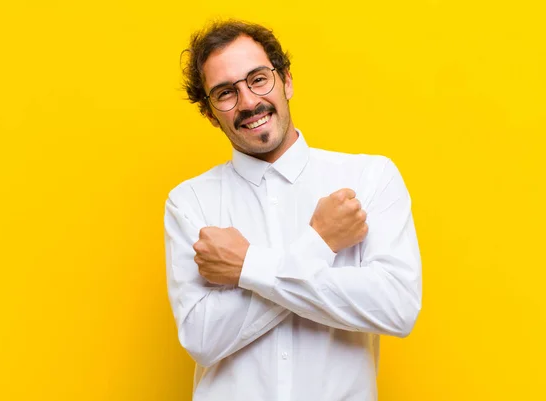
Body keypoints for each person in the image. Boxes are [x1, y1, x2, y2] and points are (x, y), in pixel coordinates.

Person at [164, 19, 422, 401]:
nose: (249, 102)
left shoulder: (370, 178)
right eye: (225, 93)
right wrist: (319, 244)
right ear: (209, 113)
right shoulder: (190, 202)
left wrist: (247, 267)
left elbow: (396, 308)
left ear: (286, 80)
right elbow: (202, 338)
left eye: (257, 79)